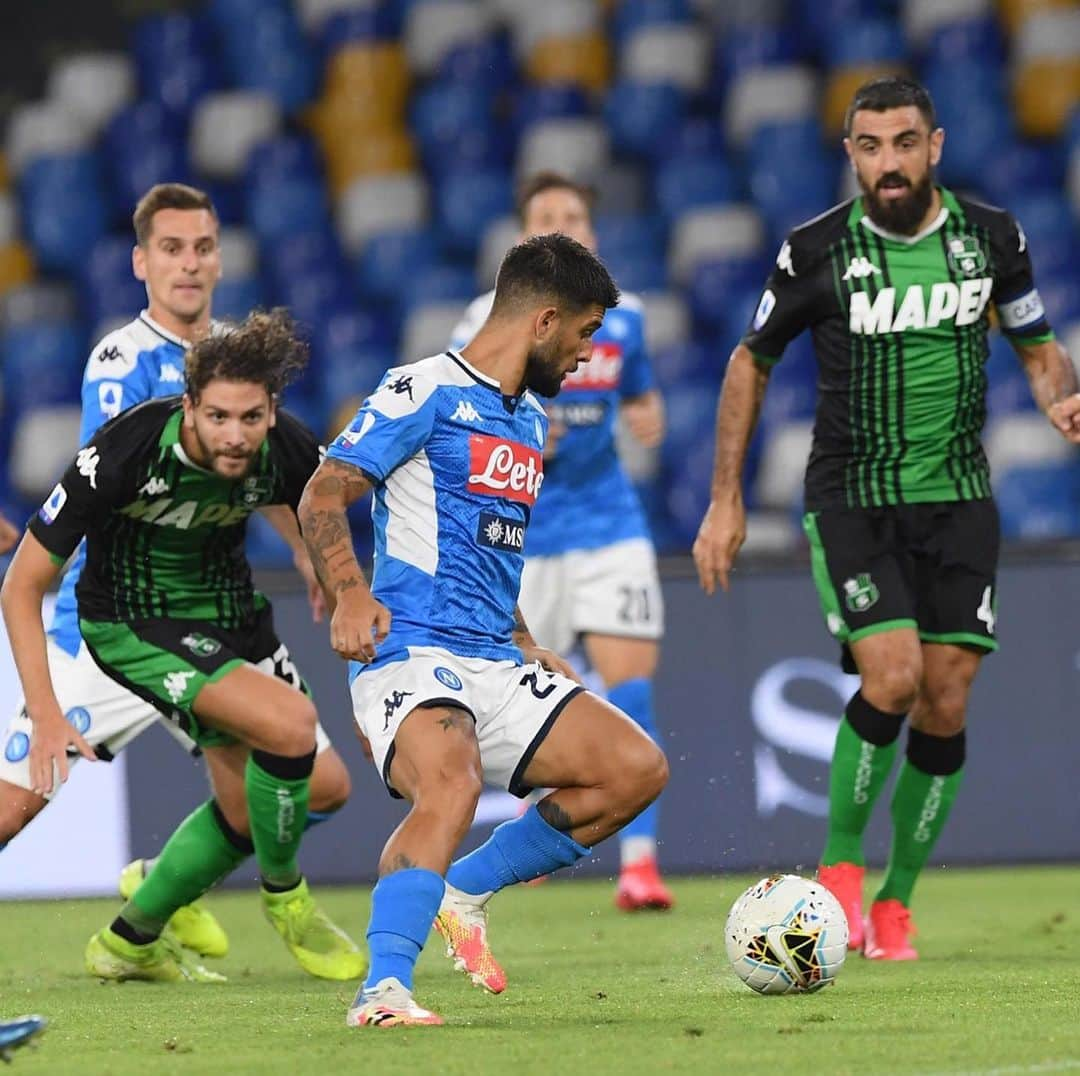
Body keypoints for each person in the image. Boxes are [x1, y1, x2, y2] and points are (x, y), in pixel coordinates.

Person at [692, 76, 1080, 960]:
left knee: (946, 699)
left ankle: (898, 901)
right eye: (871, 147)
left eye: (905, 143)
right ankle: (839, 872)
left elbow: (1036, 344)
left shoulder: (993, 239)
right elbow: (750, 362)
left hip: (958, 500)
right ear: (851, 154)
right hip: (854, 500)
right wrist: (726, 496)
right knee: (895, 677)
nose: (890, 163)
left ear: (934, 146)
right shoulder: (814, 252)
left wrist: (1061, 398)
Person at [299, 234, 668, 1027]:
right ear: (542, 321)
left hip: (495, 656)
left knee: (636, 767)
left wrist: (529, 639)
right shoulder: (420, 389)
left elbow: (494, 550)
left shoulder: (531, 420)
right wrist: (352, 595)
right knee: (453, 782)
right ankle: (384, 991)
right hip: (410, 647)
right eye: (582, 333)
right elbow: (322, 494)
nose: (585, 356)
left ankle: (463, 891)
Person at [0, 183, 351, 963]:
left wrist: (304, 545)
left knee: (316, 785)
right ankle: (199, 899)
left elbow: (252, 470)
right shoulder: (122, 367)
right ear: (140, 262)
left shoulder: (231, 360)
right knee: (14, 806)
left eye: (201, 247)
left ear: (219, 258)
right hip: (112, 623)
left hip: (209, 616)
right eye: (170, 248)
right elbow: (114, 490)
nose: (188, 264)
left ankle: (159, 892)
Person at [450, 172, 672, 910]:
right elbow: (461, 420)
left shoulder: (625, 318)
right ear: (524, 237)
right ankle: (535, 828)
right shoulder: (480, 323)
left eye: (575, 215)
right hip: (523, 534)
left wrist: (645, 411)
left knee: (631, 682)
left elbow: (636, 387)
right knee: (537, 691)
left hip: (609, 521)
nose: (565, 225)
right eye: (548, 217)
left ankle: (640, 866)